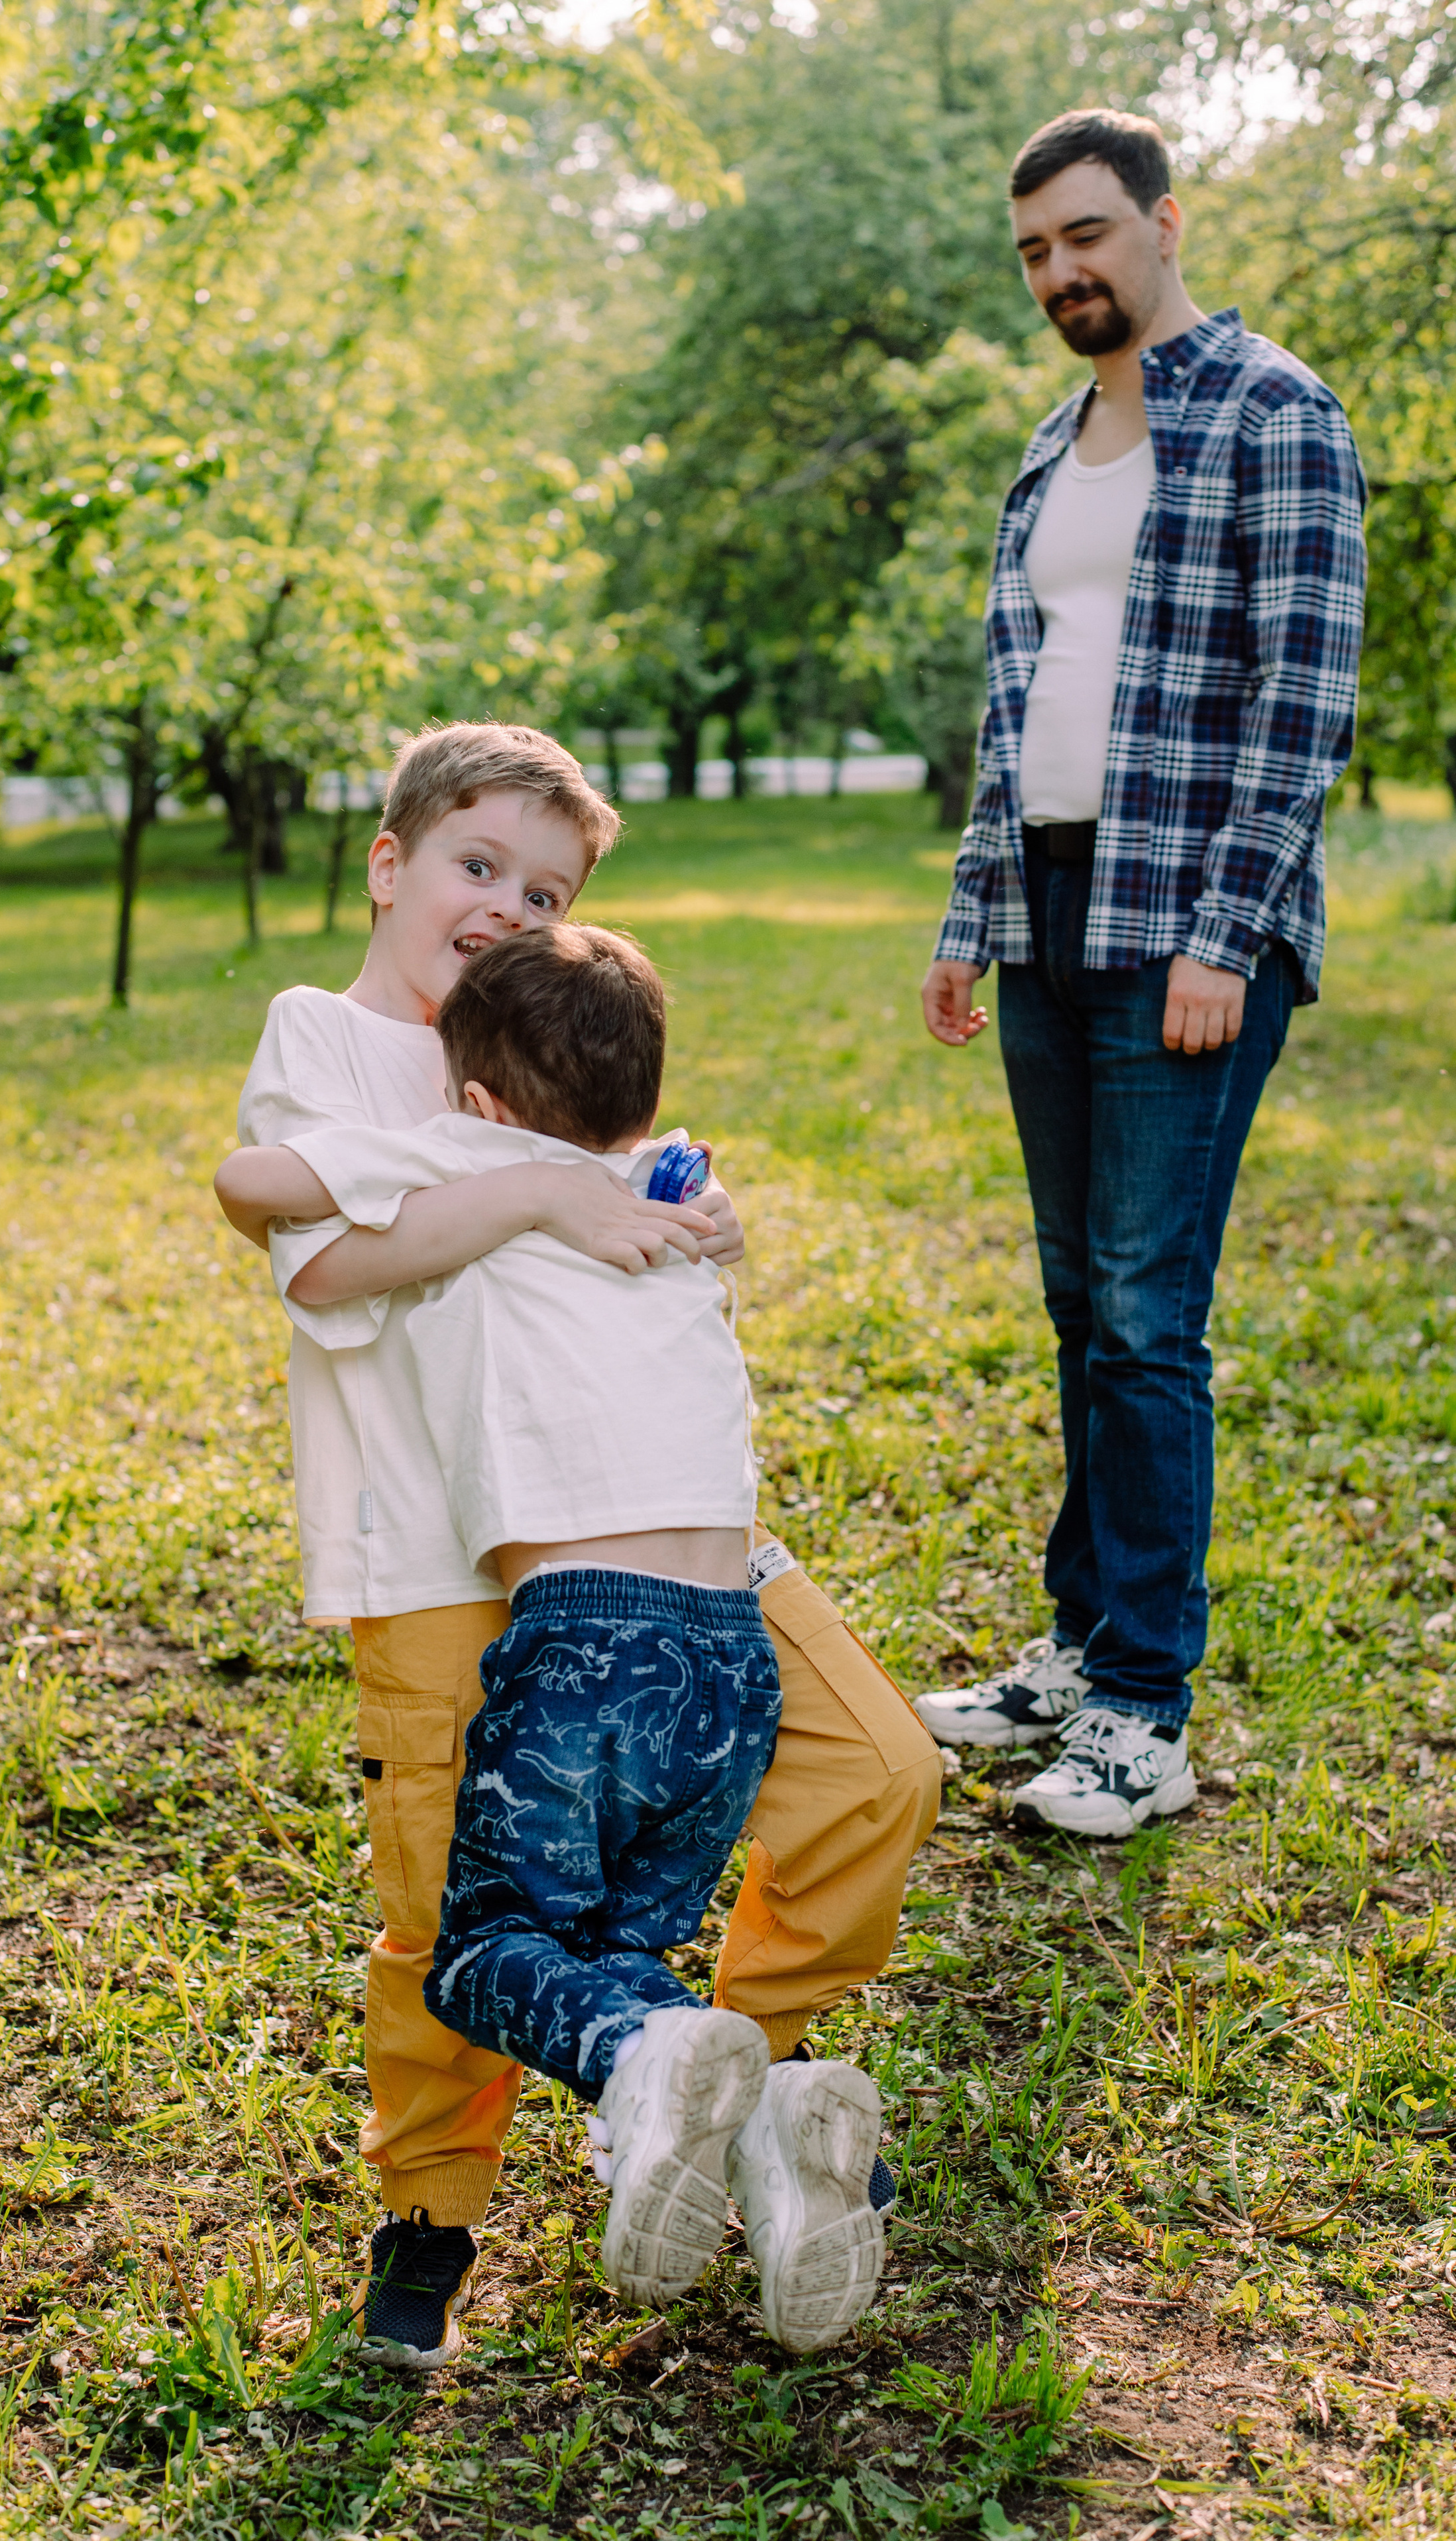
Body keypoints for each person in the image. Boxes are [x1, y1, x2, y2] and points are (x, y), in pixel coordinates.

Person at [215, 720, 940, 2366]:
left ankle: (720, 2087)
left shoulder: (543, 1037)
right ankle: (432, 2210)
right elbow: (320, 1261)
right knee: (447, 1909)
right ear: (389, 859)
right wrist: (548, 1193)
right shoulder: (326, 1043)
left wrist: (689, 1209)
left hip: (649, 1532)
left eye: (543, 889)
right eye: (477, 866)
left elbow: (640, 1213)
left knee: (878, 1772)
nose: (503, 907)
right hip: (433, 1548)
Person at [916, 110, 1366, 1838]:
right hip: (1043, 911)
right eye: (1035, 250)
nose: (1062, 273)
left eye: (1089, 236)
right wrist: (971, 911)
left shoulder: (1275, 414)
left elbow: (1303, 697)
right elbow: (1018, 704)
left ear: (1167, 223)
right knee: (1075, 1306)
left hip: (1186, 922)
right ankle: (1082, 1645)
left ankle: (1145, 1714)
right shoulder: (1050, 447)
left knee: (1146, 1312)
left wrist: (1224, 930)